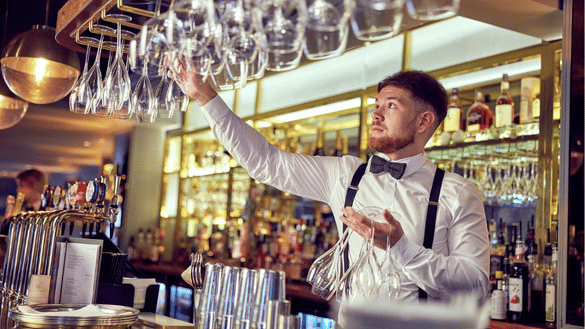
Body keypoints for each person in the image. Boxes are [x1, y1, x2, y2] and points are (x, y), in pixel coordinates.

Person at [169, 63, 489, 325]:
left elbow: (475, 284)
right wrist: (204, 95)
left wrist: (402, 249)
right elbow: (265, 162)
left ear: (424, 121)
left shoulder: (458, 193)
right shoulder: (346, 174)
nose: (376, 115)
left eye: (391, 106)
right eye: (376, 106)